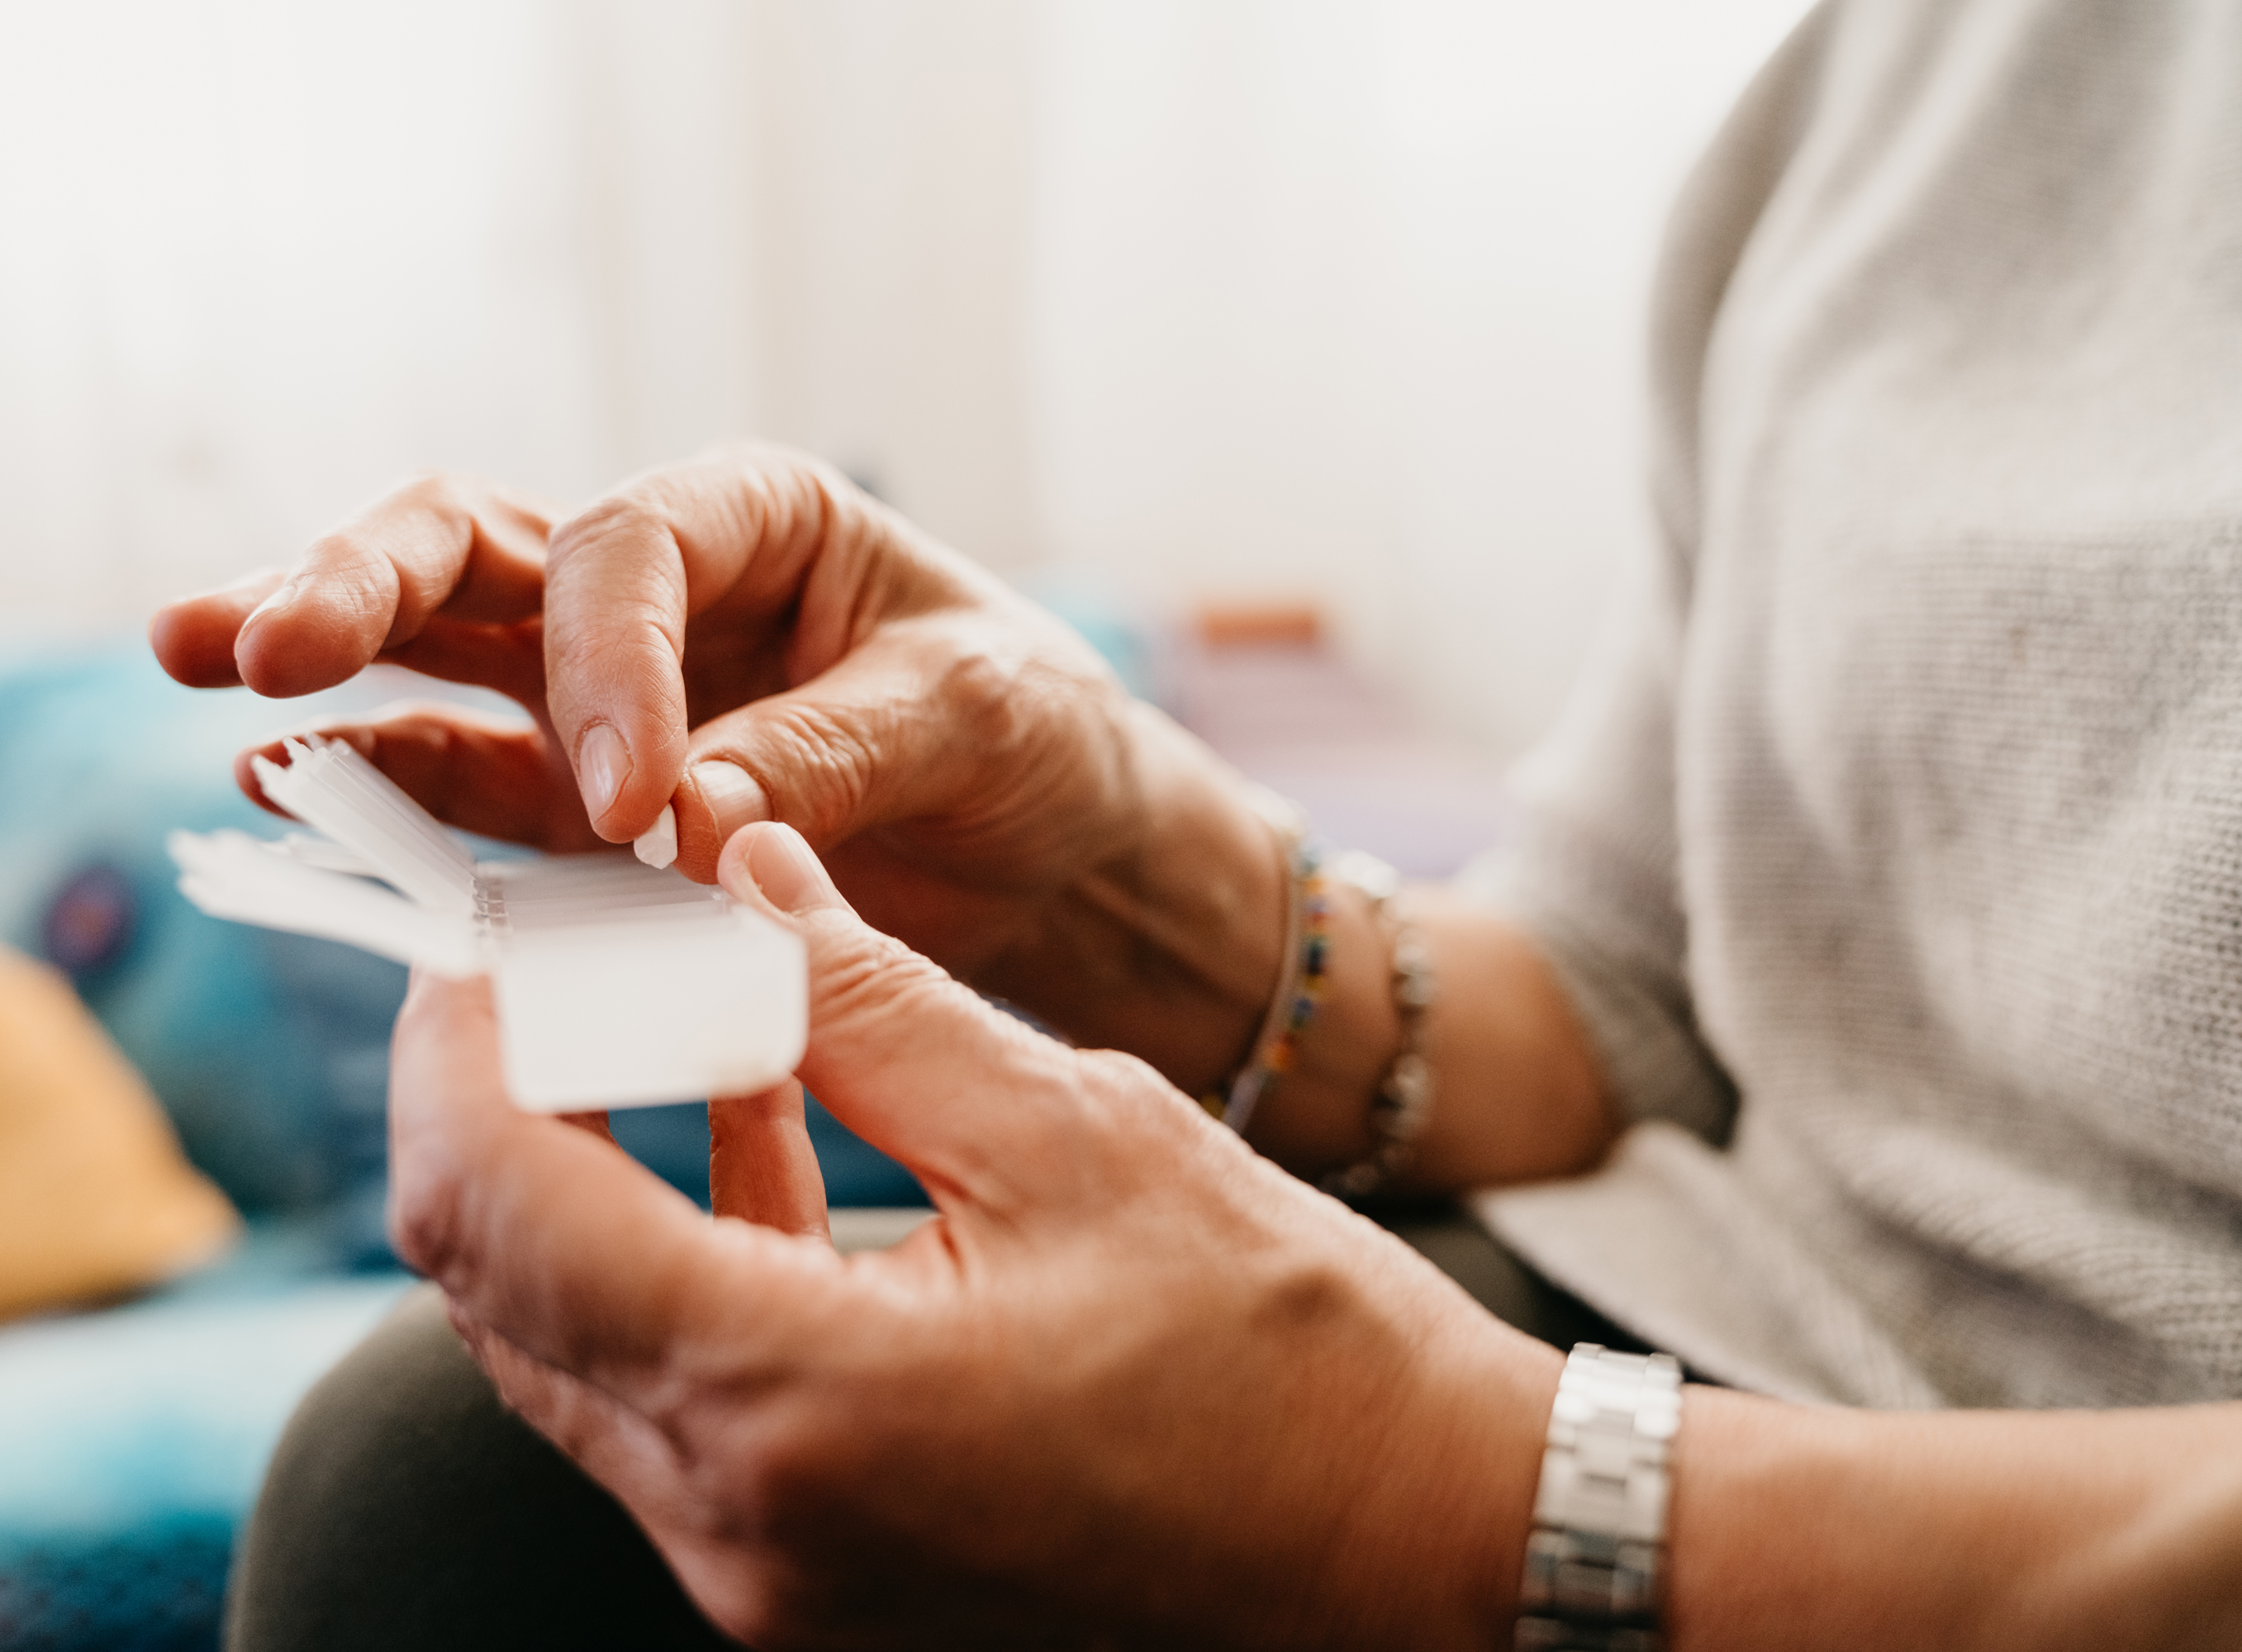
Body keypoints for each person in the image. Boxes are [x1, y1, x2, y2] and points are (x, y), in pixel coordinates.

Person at [150, 1, 2242, 1645]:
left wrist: (1430, 1506)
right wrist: (1132, 870)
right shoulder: (1924, 59)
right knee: (447, 1498)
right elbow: (1648, 993)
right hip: (1703, 1328)